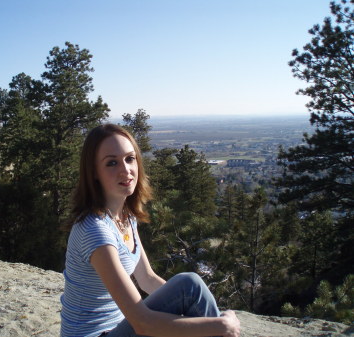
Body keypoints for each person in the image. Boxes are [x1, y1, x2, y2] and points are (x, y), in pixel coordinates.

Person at [61, 123, 240, 337]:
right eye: (111, 163)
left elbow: (147, 278)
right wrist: (220, 326)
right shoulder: (95, 231)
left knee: (189, 288)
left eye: (130, 158)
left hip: (116, 330)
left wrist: (193, 317)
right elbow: (142, 323)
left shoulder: (124, 217)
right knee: (191, 288)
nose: (125, 170)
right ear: (94, 172)